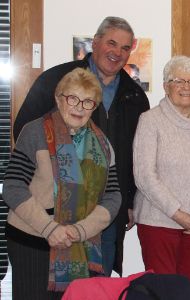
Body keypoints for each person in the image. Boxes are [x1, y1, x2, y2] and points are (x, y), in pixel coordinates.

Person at [12, 16, 149, 278]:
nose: (117, 53)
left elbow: (136, 156)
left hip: (103, 214)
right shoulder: (56, 79)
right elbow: (25, 133)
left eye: (124, 48)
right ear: (95, 43)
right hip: (48, 213)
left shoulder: (135, 96)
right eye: (111, 43)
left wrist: (130, 200)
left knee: (94, 286)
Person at [3, 68, 120, 299]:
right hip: (32, 242)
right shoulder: (35, 132)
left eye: (88, 102)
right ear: (59, 99)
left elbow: (113, 196)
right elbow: (13, 187)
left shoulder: (102, 144)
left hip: (79, 244)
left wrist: (80, 230)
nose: (79, 107)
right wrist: (50, 229)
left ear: (94, 107)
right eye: (73, 98)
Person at [132, 56, 190, 294]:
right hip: (158, 224)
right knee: (163, 293)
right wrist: (178, 213)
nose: (187, 87)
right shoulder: (150, 120)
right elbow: (144, 175)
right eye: (179, 81)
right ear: (166, 85)